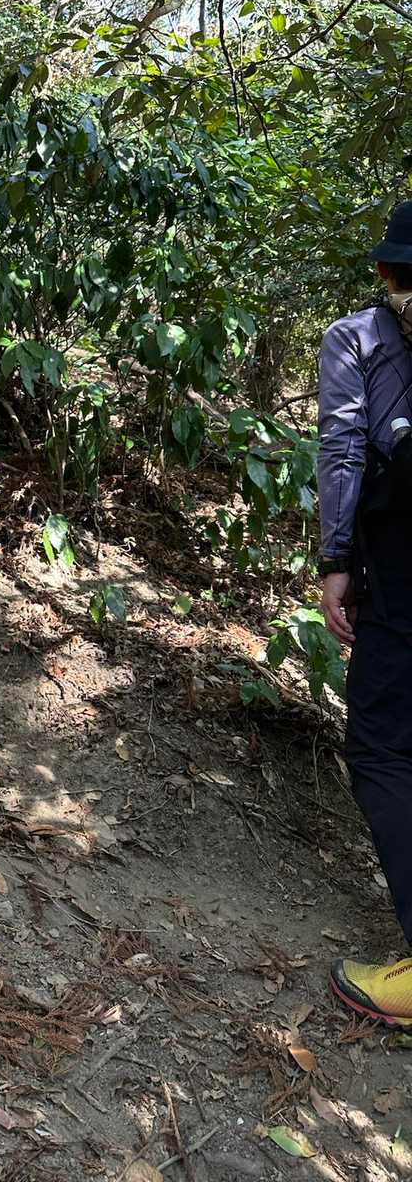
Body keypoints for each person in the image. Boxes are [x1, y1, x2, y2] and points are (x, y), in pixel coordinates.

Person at [319, 199, 412, 1026]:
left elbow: (345, 448)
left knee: (381, 745)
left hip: (403, 567)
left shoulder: (359, 339)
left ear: (385, 270)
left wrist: (336, 562)